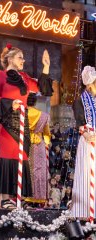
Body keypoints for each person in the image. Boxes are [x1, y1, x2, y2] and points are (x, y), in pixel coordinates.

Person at [0, 44, 53, 208]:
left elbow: (42, 89)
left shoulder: (24, 77)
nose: (23, 60)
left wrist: (46, 67)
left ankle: (19, 198)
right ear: (10, 59)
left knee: (23, 157)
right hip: (7, 120)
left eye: (23, 58)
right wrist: (11, 103)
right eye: (20, 57)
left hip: (23, 120)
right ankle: (5, 198)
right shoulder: (0, 75)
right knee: (9, 156)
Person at [71, 65, 96, 218]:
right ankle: (84, 212)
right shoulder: (80, 101)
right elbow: (80, 122)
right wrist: (86, 134)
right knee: (86, 175)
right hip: (88, 139)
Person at [26, 93, 51, 205]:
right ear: (35, 102)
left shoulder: (22, 114)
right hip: (39, 144)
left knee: (26, 168)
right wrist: (46, 143)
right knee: (39, 170)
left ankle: (25, 195)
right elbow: (47, 134)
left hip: (25, 143)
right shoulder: (43, 115)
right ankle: (39, 196)